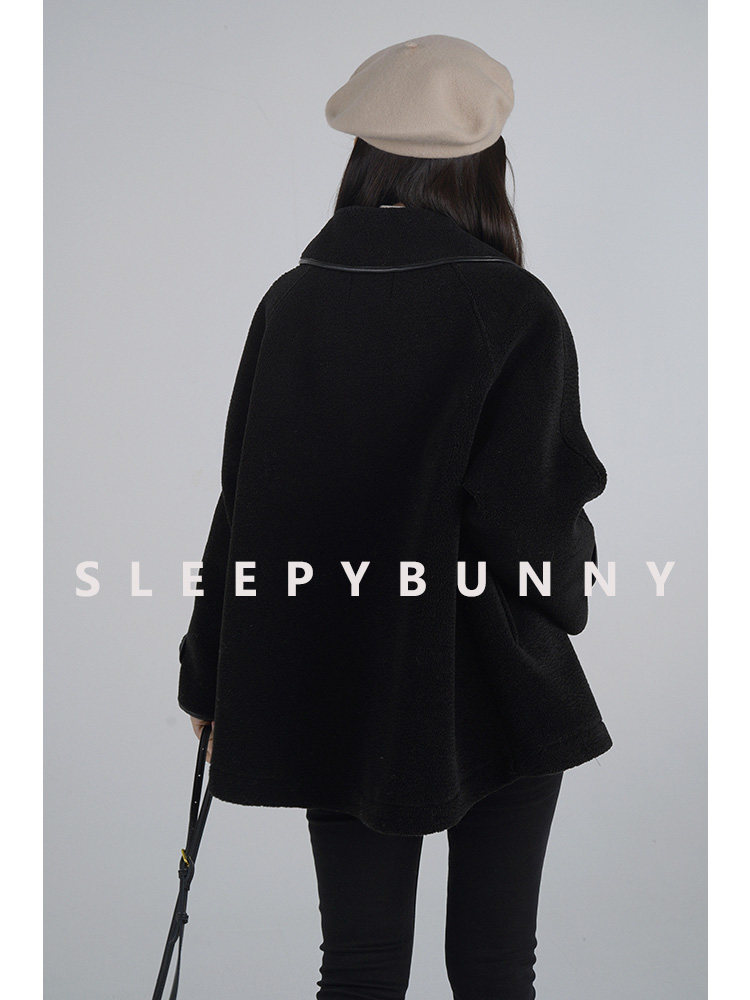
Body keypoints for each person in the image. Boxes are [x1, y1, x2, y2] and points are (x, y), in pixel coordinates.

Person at [178, 34, 612, 1000]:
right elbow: (534, 521)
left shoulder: (292, 304)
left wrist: (208, 671)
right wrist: (568, 592)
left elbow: (242, 506)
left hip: (341, 681)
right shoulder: (511, 306)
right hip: (491, 683)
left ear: (364, 158)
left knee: (359, 966)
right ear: (487, 168)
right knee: (495, 967)